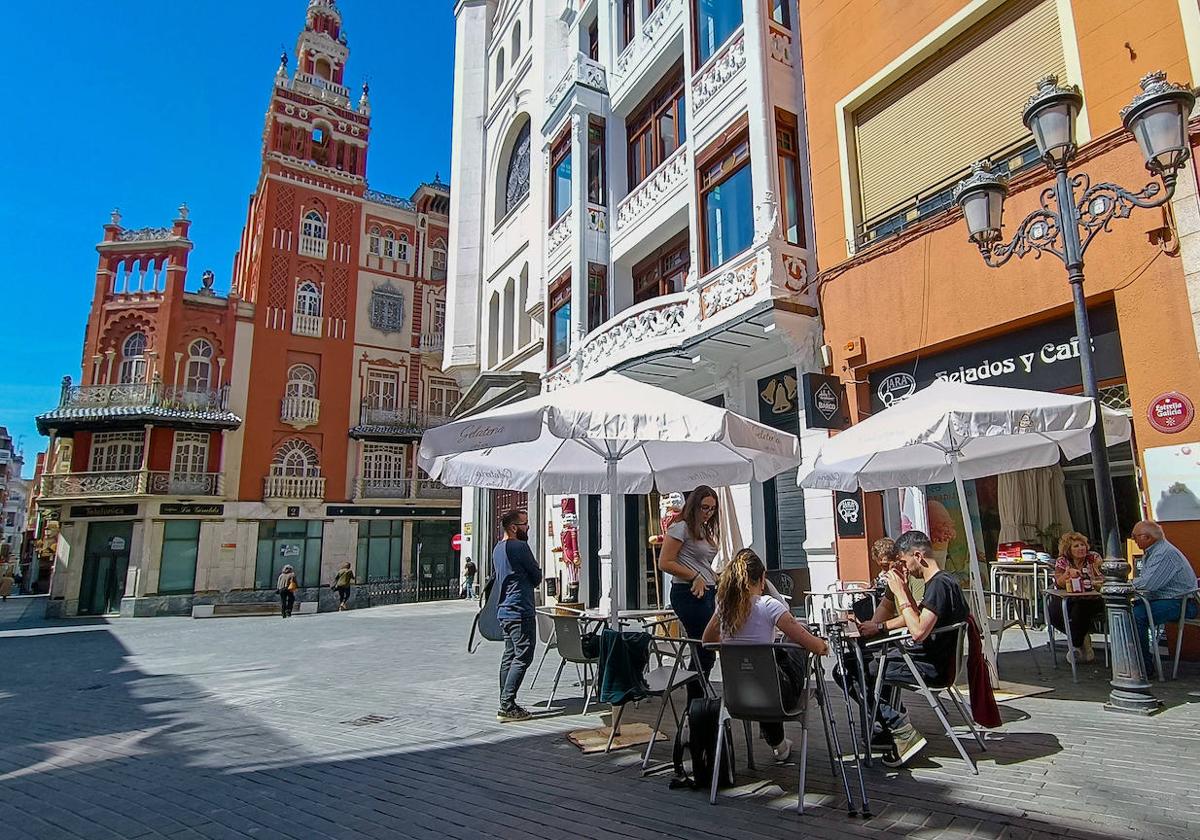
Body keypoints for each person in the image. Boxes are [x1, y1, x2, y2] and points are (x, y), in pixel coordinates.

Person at [702, 549, 829, 761]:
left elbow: (707, 641)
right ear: (762, 578)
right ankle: (777, 742)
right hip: (778, 698)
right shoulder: (769, 606)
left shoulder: (724, 609)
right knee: (789, 644)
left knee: (767, 664)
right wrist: (822, 645)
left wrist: (733, 646)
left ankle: (778, 743)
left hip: (738, 697)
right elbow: (813, 646)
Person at [856, 529, 969, 767]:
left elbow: (918, 631)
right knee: (867, 665)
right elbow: (918, 621)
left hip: (930, 668)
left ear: (918, 555)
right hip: (936, 662)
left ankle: (899, 730)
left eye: (905, 561)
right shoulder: (947, 582)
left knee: (852, 670)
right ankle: (887, 731)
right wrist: (902, 591)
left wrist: (900, 592)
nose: (905, 567)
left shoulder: (939, 585)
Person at [657, 485, 720, 699]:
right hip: (688, 593)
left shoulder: (702, 529)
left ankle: (698, 699)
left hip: (707, 592)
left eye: (712, 509)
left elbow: (700, 562)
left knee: (706, 647)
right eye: (704, 507)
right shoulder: (680, 528)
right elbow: (664, 562)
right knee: (704, 645)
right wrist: (694, 576)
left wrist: (714, 575)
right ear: (693, 505)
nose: (708, 513)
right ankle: (697, 701)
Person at [1130, 520, 1199, 678]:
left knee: (1137, 616)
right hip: (1168, 599)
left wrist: (1124, 584)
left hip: (1182, 603)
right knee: (1132, 611)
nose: (1133, 539)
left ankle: (1144, 667)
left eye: (1135, 536)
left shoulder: (1164, 552)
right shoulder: (1153, 551)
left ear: (1147, 537)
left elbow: (1149, 584)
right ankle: (1135, 661)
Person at [493, 509, 542, 721]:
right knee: (523, 656)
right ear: (513, 527)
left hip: (504, 609)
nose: (528, 527)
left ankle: (505, 701)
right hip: (520, 609)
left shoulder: (498, 549)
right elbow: (536, 575)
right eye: (525, 524)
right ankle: (507, 704)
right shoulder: (519, 547)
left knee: (509, 655)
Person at [1047, 532, 1105, 663]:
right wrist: (1067, 574)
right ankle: (1081, 639)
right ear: (1068, 550)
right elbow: (1058, 582)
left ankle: (1076, 645)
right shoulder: (1063, 561)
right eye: (1076, 546)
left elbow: (1102, 577)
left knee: (1079, 610)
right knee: (1053, 611)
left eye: (1082, 545)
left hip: (1092, 598)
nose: (1081, 548)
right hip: (1069, 597)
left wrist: (1097, 568)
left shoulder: (1093, 557)